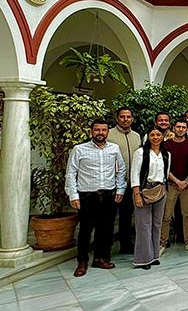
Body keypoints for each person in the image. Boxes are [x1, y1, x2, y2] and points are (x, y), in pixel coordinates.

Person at [66, 119, 125, 277]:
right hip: (87, 196)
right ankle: (82, 262)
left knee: (106, 229)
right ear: (91, 131)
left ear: (107, 132)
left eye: (103, 130)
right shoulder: (79, 149)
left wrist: (120, 189)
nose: (100, 133)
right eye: (97, 130)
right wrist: (73, 195)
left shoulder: (114, 148)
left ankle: (101, 258)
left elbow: (121, 170)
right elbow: (71, 173)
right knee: (85, 230)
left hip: (108, 195)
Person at [131, 128, 169, 269]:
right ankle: (143, 259)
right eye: (152, 135)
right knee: (143, 225)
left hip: (160, 191)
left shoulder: (166, 154)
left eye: (158, 135)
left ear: (162, 137)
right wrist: (137, 194)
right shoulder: (140, 153)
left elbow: (166, 173)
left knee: (157, 224)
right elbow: (134, 174)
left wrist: (164, 190)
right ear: (147, 137)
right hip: (144, 191)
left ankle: (154, 256)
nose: (155, 137)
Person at [160, 120, 188, 253]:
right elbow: (164, 166)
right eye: (178, 127)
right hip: (171, 184)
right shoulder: (166, 144)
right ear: (173, 128)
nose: (181, 129)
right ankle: (162, 243)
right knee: (167, 215)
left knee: (187, 214)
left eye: (183, 127)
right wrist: (177, 181)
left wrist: (186, 181)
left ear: (187, 129)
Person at [108, 107, 140, 254]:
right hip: (113, 183)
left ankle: (125, 244)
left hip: (131, 183)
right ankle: (105, 248)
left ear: (132, 118)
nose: (125, 119)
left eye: (128, 117)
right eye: (122, 117)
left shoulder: (136, 136)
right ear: (117, 118)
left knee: (127, 215)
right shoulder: (109, 134)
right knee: (109, 216)